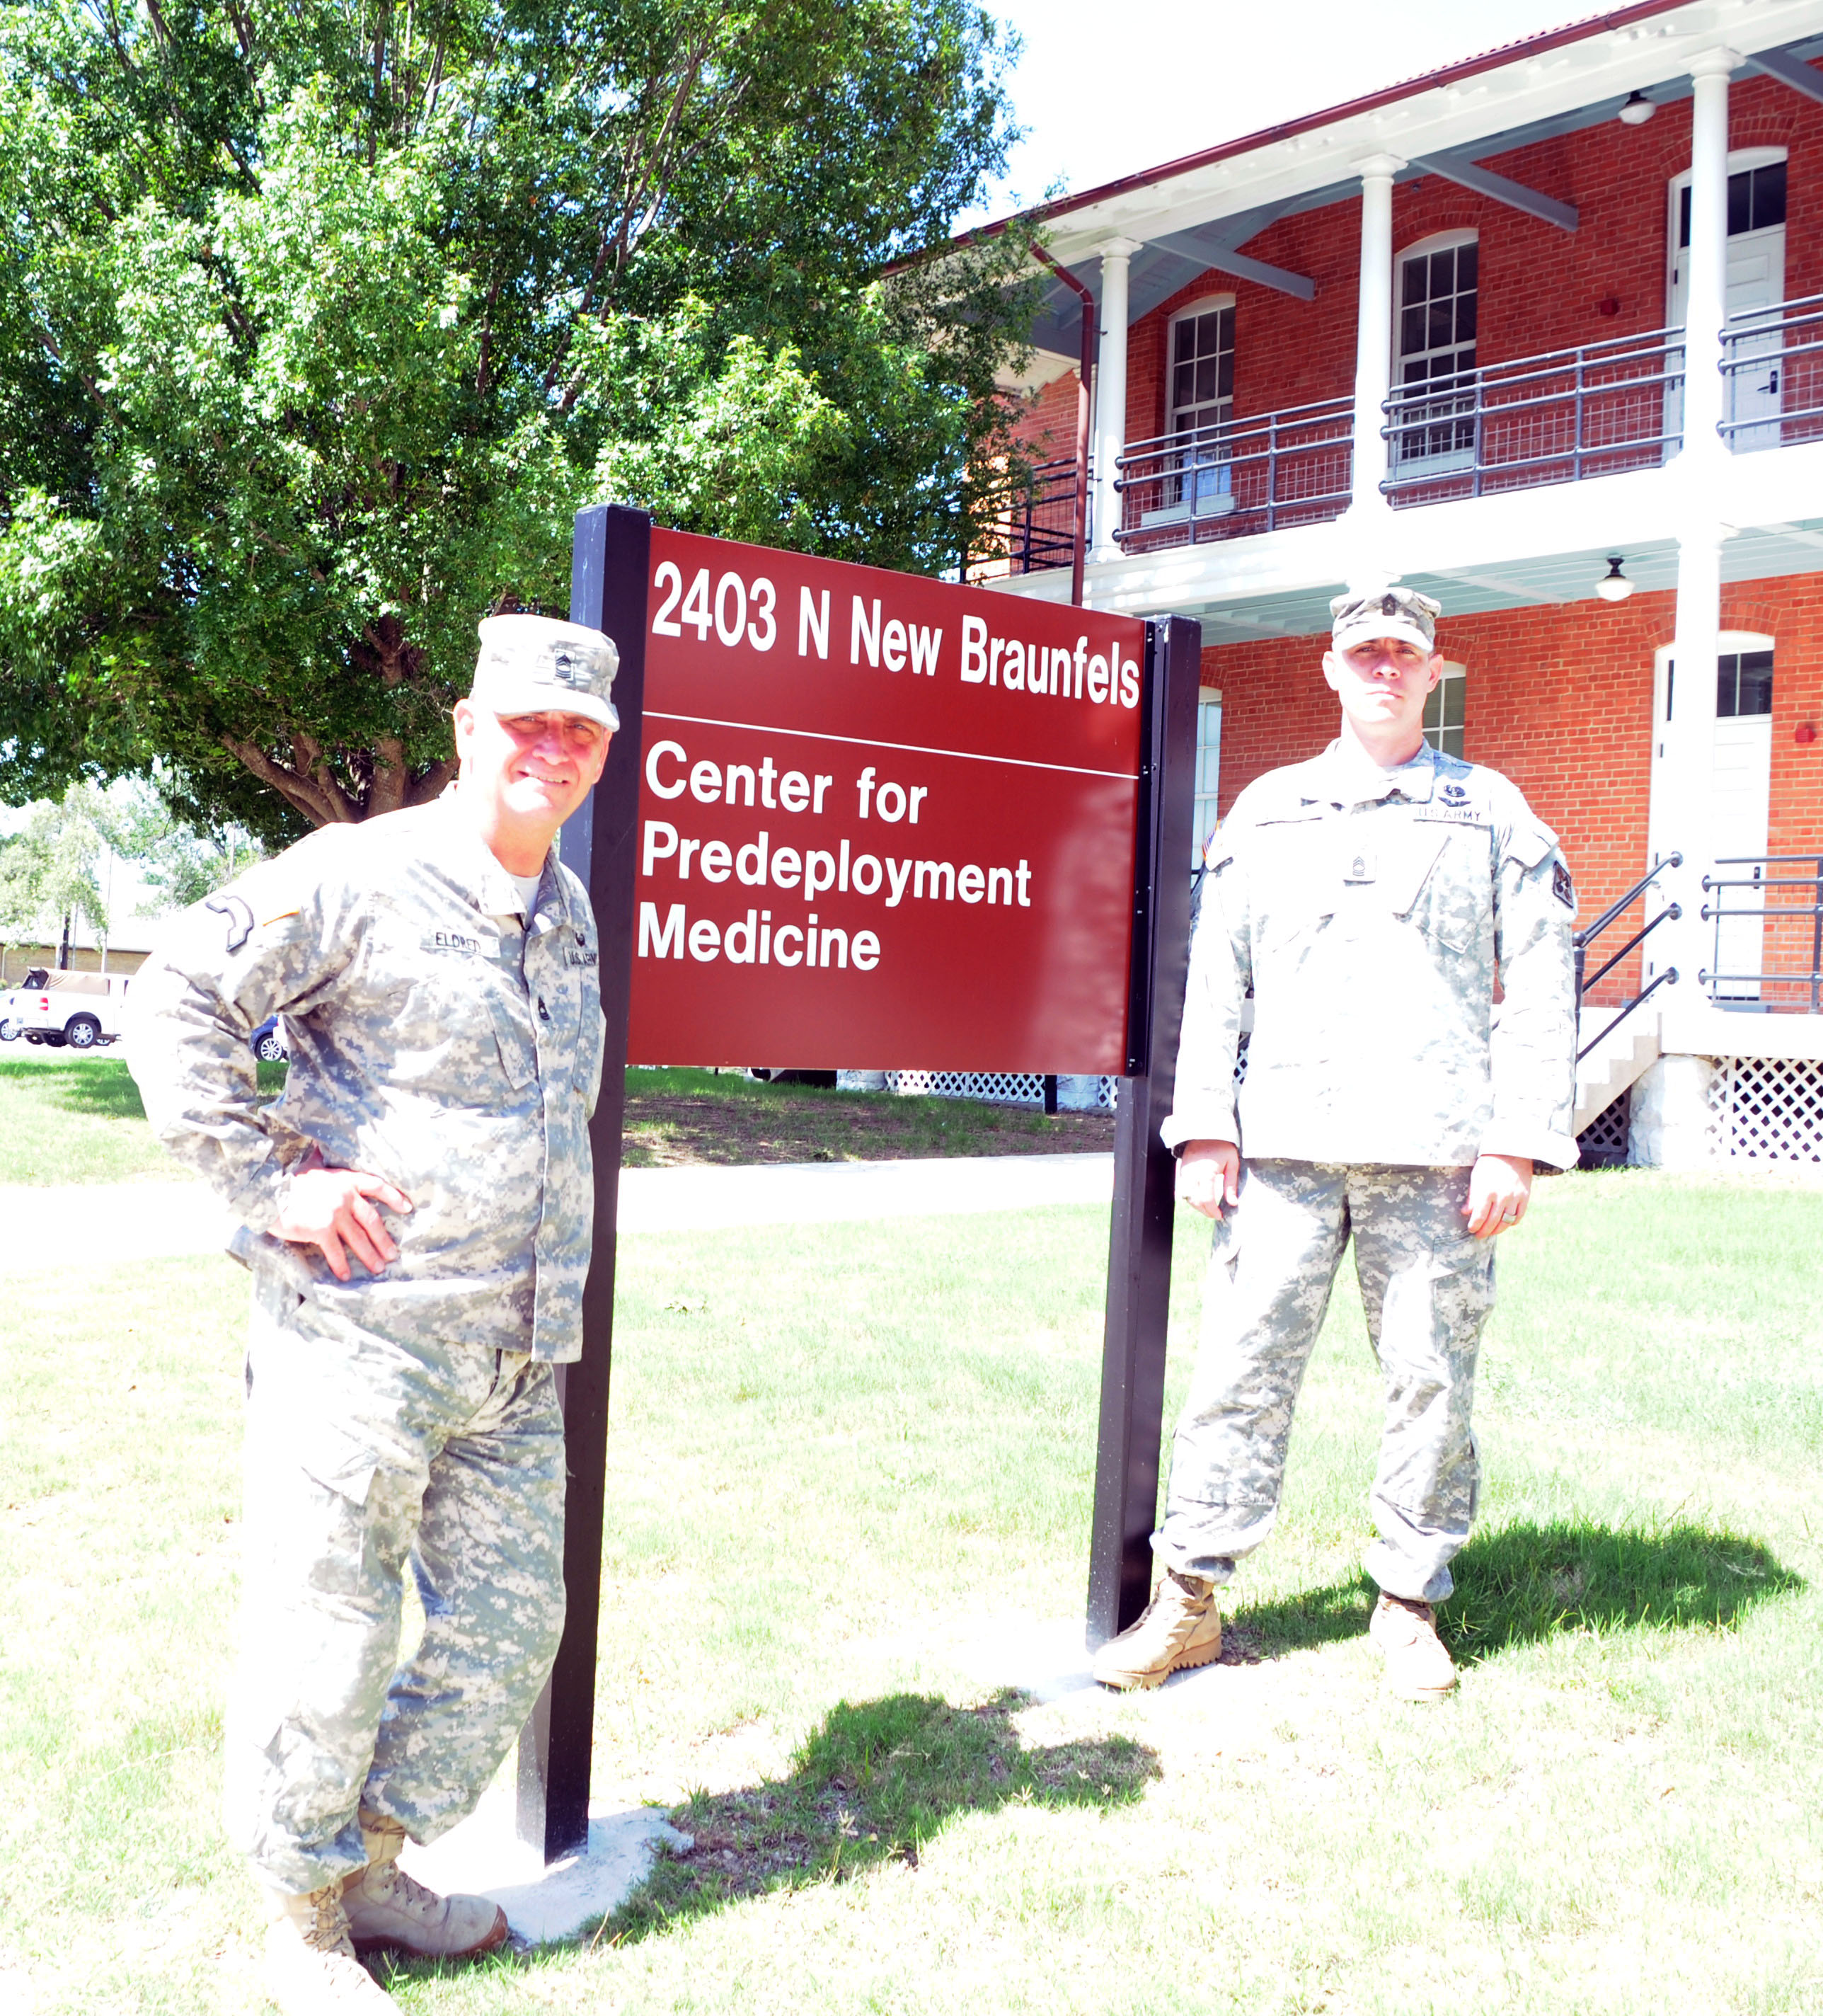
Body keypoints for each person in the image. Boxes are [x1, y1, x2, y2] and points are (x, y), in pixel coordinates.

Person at [130, 615, 617, 2012]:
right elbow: (176, 1001)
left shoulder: (566, 904)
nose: (550, 748)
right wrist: (269, 1183)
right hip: (359, 1339)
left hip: (518, 1353)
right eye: (525, 721)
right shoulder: (357, 872)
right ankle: (301, 1918)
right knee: (325, 1636)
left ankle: (376, 1863)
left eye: (578, 730)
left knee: (508, 1633)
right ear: (467, 727)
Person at [1092, 585, 1577, 1702]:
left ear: (1433, 669)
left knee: (1429, 1381)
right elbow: (1214, 982)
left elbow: (1545, 979)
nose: (1385, 669)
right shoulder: (1267, 813)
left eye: (1404, 654)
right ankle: (1190, 1600)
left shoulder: (1490, 810)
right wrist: (1203, 1123)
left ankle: (1408, 1604)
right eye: (1365, 651)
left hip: (1439, 1156)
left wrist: (1518, 1140)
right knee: (1237, 1373)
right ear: (1330, 666)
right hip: (1285, 1152)